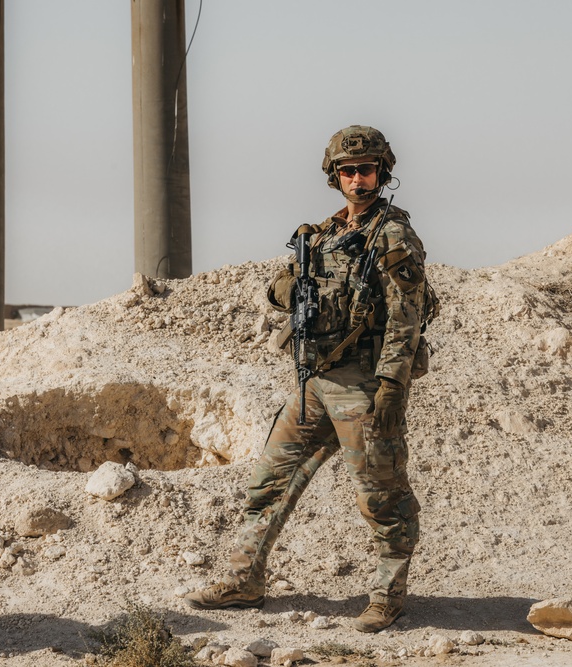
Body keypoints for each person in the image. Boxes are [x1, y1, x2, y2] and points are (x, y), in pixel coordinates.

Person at [185, 125, 438, 633]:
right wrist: (291, 288)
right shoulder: (321, 235)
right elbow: (278, 288)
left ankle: (388, 595)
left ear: (382, 173)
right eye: (348, 171)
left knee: (381, 495)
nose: (357, 179)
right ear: (334, 175)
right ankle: (243, 581)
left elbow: (406, 316)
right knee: (269, 483)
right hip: (315, 383)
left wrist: (392, 385)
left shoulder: (393, 235)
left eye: (366, 170)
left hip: (363, 386)